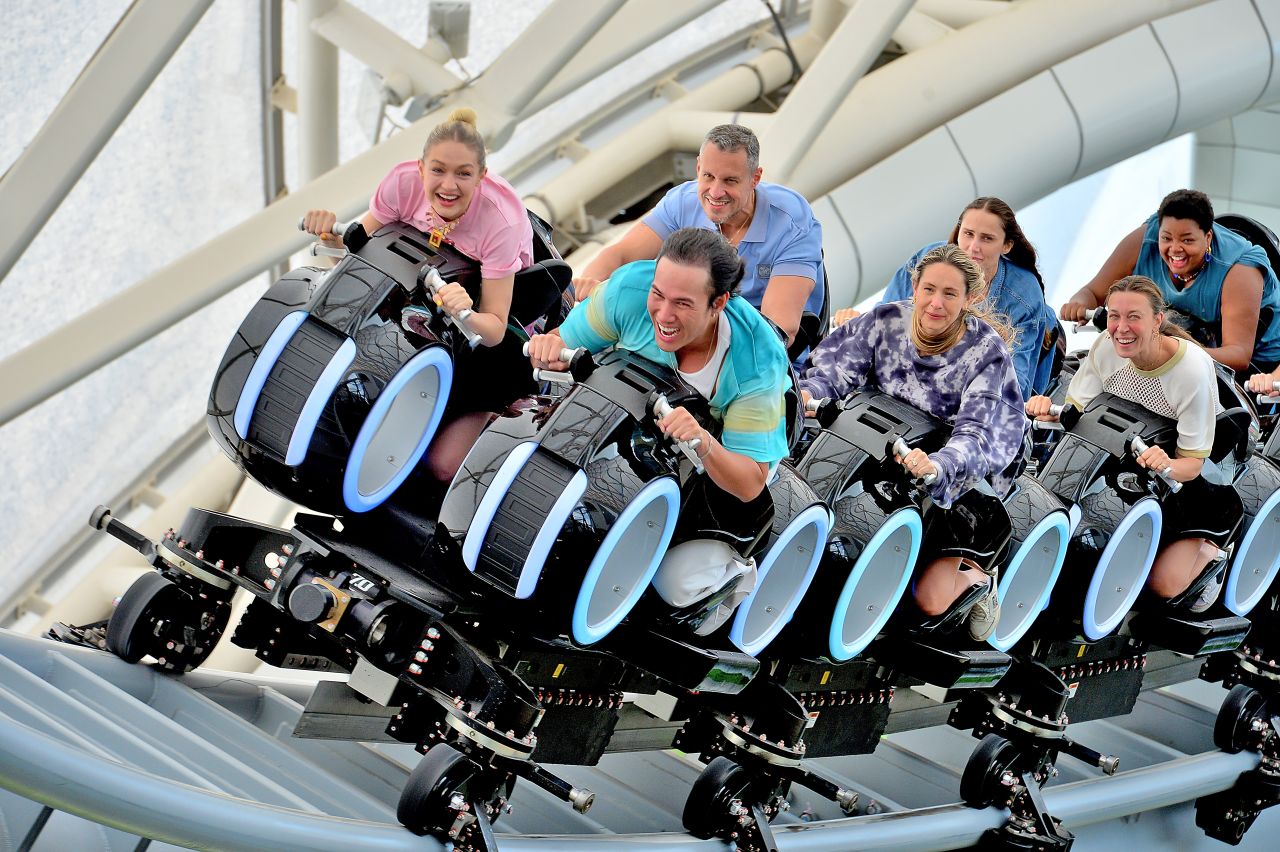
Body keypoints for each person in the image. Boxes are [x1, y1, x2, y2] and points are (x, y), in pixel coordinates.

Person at [527, 227, 791, 625]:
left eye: (683, 303)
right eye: (659, 295)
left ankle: (733, 574)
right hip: (629, 422)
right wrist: (550, 348)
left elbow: (750, 483)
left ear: (718, 302)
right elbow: (564, 347)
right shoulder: (628, 290)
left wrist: (703, 441)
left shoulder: (754, 360)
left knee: (676, 584)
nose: (664, 315)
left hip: (719, 464)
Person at [799, 244, 1026, 641]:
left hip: (960, 468)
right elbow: (833, 371)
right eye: (929, 290)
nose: (936, 303)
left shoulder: (986, 351)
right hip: (880, 440)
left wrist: (938, 465)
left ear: (970, 298)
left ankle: (980, 580)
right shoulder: (887, 318)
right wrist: (808, 394)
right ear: (915, 285)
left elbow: (976, 436)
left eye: (950, 294)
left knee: (931, 601)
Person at [302, 107, 535, 482]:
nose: (449, 185)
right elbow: (358, 252)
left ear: (482, 177)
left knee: (442, 465)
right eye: (438, 170)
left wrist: (468, 312)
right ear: (421, 167)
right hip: (424, 287)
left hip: (488, 319)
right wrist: (329, 235)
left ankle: (489, 416)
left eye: (464, 174)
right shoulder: (401, 184)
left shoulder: (500, 223)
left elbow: (493, 328)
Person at [1028, 276, 1234, 612]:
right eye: (1113, 316)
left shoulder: (1191, 370)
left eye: (1133, 316)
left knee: (1165, 585)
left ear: (1157, 320)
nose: (1121, 328)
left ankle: (1212, 552)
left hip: (1192, 473)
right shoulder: (1107, 347)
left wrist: (1164, 462)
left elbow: (1192, 464)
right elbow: (1074, 412)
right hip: (1121, 455)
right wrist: (1044, 408)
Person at [570, 124, 823, 348]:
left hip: (755, 353)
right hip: (688, 332)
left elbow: (777, 330)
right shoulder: (683, 201)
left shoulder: (793, 223)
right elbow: (621, 253)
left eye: (730, 181)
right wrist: (586, 286)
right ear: (698, 167)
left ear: (755, 178)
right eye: (708, 176)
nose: (715, 191)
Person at [832, 197, 1057, 401]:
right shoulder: (926, 259)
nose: (973, 248)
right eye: (968, 234)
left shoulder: (1024, 294)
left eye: (987, 239)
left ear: (1007, 245)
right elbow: (882, 328)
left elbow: (1014, 386)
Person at [1061, 188, 1280, 374]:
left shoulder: (1240, 270)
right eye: (1166, 238)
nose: (1174, 249)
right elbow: (1092, 293)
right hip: (1177, 340)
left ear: (1208, 238)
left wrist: (1166, 349)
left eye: (1187, 240)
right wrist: (1079, 303)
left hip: (1257, 364)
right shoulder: (1144, 240)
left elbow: (1237, 356)